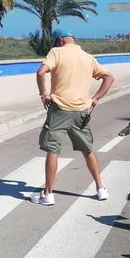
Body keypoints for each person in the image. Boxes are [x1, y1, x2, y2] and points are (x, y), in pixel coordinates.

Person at [33, 29, 115, 206]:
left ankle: (48, 194)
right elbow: (109, 77)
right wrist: (95, 99)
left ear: (61, 40)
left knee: (53, 150)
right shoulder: (87, 57)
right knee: (87, 150)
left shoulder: (56, 52)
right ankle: (100, 189)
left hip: (59, 110)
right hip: (81, 112)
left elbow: (40, 73)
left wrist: (43, 94)